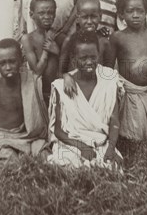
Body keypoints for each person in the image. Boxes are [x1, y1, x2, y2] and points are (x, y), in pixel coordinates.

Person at [48, 32, 122, 169]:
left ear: (99, 55)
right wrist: (82, 147)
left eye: (93, 57)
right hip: (71, 143)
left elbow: (115, 121)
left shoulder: (109, 81)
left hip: (100, 142)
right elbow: (58, 130)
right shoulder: (61, 86)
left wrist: (111, 148)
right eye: (83, 58)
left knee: (111, 167)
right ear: (73, 59)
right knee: (65, 164)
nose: (89, 62)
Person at [0, 39, 48, 163]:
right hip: (0, 135)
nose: (8, 67)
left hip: (27, 135)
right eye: (2, 63)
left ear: (22, 61)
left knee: (44, 153)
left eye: (12, 62)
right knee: (8, 159)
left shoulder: (30, 81)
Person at [108, 0, 147, 145]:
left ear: (146, 12)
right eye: (130, 11)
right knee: (134, 138)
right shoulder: (118, 37)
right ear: (121, 15)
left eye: (140, 10)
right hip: (130, 93)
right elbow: (108, 69)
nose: (135, 15)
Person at [58, 0, 114, 97]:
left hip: (98, 95)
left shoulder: (104, 42)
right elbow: (61, 71)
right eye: (84, 17)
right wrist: (66, 77)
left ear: (100, 16)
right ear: (78, 18)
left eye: (93, 17)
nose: (89, 21)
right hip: (74, 92)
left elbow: (109, 74)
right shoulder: (70, 40)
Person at [21, 0, 64, 106]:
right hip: (39, 93)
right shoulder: (28, 39)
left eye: (50, 13)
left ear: (55, 14)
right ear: (31, 15)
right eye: (41, 13)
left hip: (59, 91)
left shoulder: (60, 37)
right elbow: (37, 71)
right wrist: (47, 50)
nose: (47, 16)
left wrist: (57, 52)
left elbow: (67, 67)